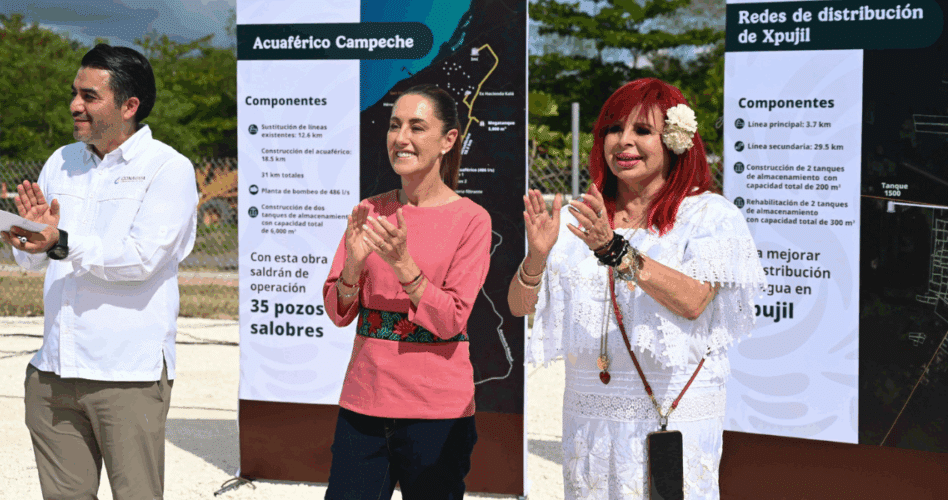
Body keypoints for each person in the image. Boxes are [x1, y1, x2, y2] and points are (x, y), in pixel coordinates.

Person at [508, 78, 766, 499]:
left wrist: (615, 250)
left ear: (675, 141)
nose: (623, 142)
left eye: (642, 131)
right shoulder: (583, 217)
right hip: (588, 417)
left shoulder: (709, 215)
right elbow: (519, 307)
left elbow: (694, 301)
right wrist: (537, 256)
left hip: (670, 417)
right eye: (613, 129)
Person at [0, 44, 198, 499]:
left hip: (126, 375)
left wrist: (60, 241)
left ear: (130, 106)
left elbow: (142, 258)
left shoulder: (168, 169)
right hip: (53, 372)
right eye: (75, 93)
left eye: (89, 96)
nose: (74, 105)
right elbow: (34, 261)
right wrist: (28, 242)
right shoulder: (62, 161)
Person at [321, 84, 491, 500]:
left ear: (448, 140)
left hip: (437, 411)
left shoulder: (472, 219)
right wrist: (354, 265)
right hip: (365, 400)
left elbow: (451, 319)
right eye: (395, 126)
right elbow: (338, 311)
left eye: (417, 127)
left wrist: (404, 267)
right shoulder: (370, 210)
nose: (401, 138)